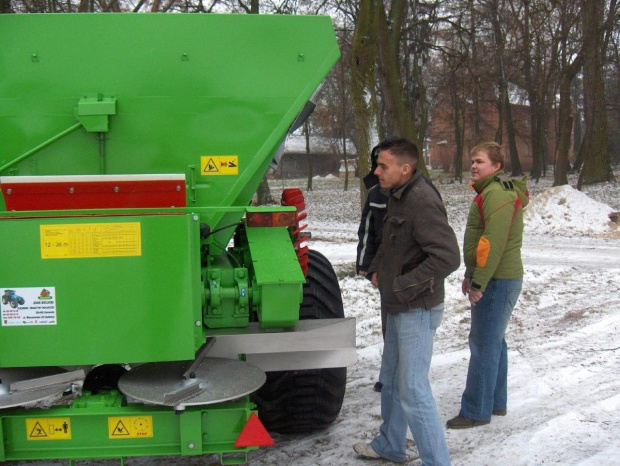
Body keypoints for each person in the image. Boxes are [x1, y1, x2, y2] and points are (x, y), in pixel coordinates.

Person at [353, 137, 460, 465]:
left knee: (413, 390)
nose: (376, 171)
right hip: (398, 305)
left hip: (417, 308)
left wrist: (400, 286)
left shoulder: (422, 199)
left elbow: (447, 257)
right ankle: (390, 445)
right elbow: (390, 242)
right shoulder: (395, 195)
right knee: (392, 378)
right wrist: (375, 270)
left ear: (405, 168)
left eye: (383, 166)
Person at [447, 141, 528, 429]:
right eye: (472, 160)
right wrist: (471, 273)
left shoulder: (496, 194)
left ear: (496, 166)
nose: (473, 166)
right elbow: (481, 243)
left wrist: (479, 282)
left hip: (497, 280)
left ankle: (475, 411)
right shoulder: (491, 192)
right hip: (495, 278)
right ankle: (495, 403)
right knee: (494, 342)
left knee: (483, 344)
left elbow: (493, 243)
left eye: (480, 161)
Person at [356, 144, 389, 392]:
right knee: (390, 324)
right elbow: (367, 231)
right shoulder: (376, 195)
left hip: (411, 274)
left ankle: (405, 378)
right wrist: (365, 264)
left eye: (384, 165)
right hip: (385, 270)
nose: (378, 171)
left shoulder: (418, 194)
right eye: (376, 164)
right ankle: (389, 375)